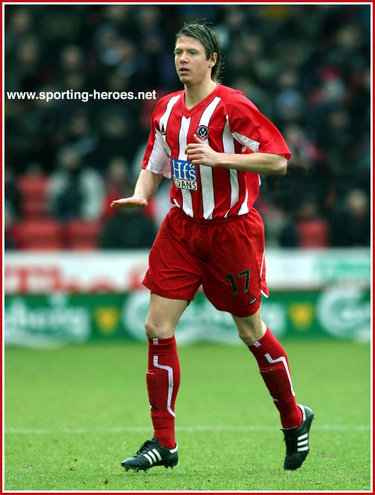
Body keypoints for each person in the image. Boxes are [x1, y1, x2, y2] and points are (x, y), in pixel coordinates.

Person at [111, 20, 314, 472]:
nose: (182, 59)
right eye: (178, 51)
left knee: (250, 331)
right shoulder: (165, 109)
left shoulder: (233, 106)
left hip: (232, 233)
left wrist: (223, 157)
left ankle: (294, 417)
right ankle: (164, 443)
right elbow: (155, 160)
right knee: (156, 327)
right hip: (181, 229)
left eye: (191, 53)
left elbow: (279, 160)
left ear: (212, 60)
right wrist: (143, 193)